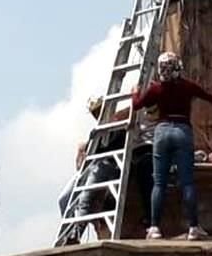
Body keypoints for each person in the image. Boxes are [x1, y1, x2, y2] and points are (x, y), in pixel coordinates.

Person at [131, 52, 212, 241]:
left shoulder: (156, 89)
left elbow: (137, 105)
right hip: (182, 131)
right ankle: (193, 227)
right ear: (177, 66)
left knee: (159, 183)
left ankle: (154, 228)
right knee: (187, 183)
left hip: (161, 133)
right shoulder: (187, 87)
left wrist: (134, 92)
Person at [56, 95, 153, 244]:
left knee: (85, 197)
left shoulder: (118, 126)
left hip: (106, 165)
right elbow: (89, 153)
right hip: (89, 168)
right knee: (64, 199)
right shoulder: (96, 131)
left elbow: (113, 149)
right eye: (94, 112)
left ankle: (75, 234)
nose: (97, 115)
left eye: (98, 110)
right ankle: (67, 232)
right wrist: (85, 148)